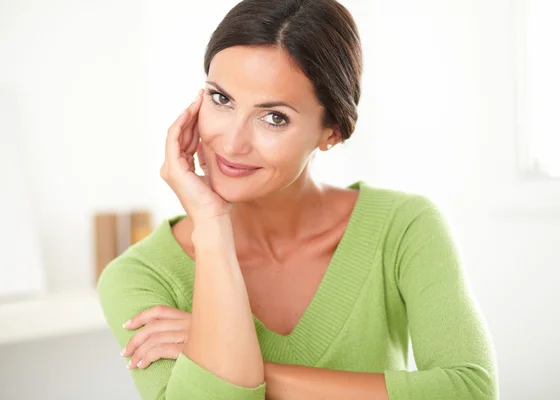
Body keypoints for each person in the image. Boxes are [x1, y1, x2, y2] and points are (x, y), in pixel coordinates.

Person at [97, 0, 498, 399]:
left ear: (332, 133)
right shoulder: (139, 277)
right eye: (221, 99)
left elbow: (469, 390)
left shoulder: (404, 227)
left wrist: (247, 366)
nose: (232, 143)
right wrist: (212, 228)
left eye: (274, 118)